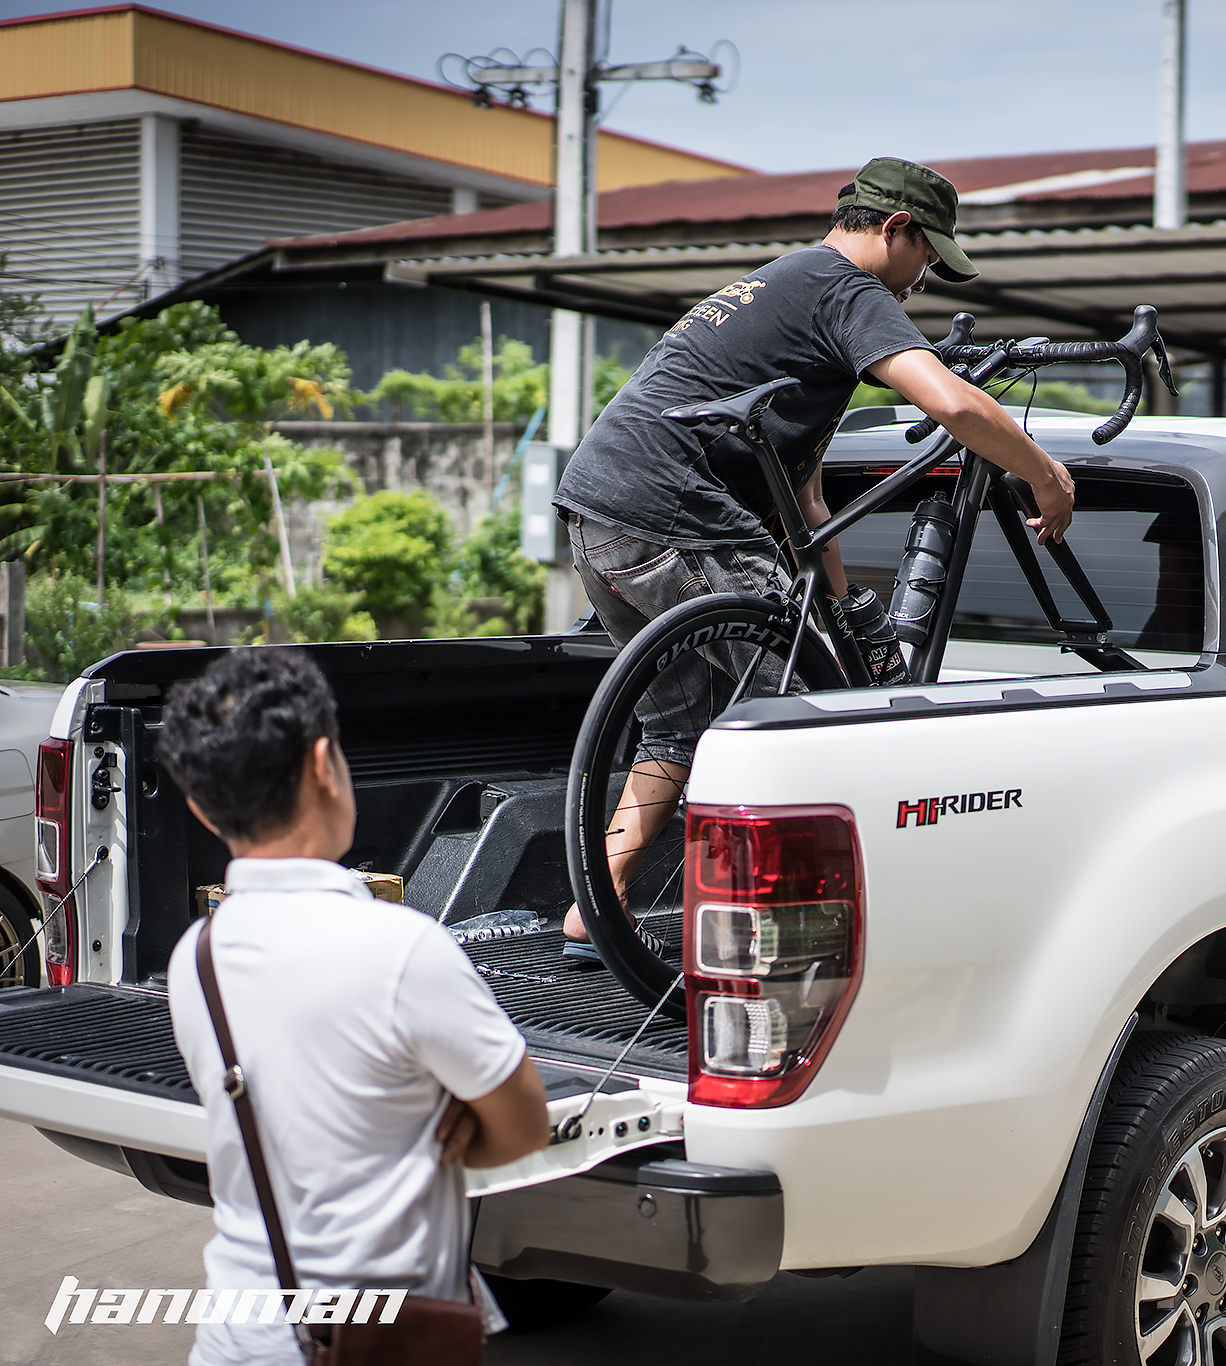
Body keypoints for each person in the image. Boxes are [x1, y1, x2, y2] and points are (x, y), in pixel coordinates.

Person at [551, 155, 1076, 959]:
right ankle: (789, 941)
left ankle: (594, 908)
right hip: (674, 514)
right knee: (814, 729)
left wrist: (843, 610)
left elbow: (806, 507)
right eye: (927, 256)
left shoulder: (783, 290)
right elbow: (952, 402)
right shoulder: (845, 290)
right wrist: (1044, 473)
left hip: (598, 513)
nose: (924, 280)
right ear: (895, 229)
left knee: (679, 729)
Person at [160, 649, 551, 1365]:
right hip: (385, 1340)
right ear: (322, 764)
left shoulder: (197, 958)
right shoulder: (403, 950)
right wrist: (448, 1115)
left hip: (239, 1336)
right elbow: (524, 1127)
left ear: (198, 805)